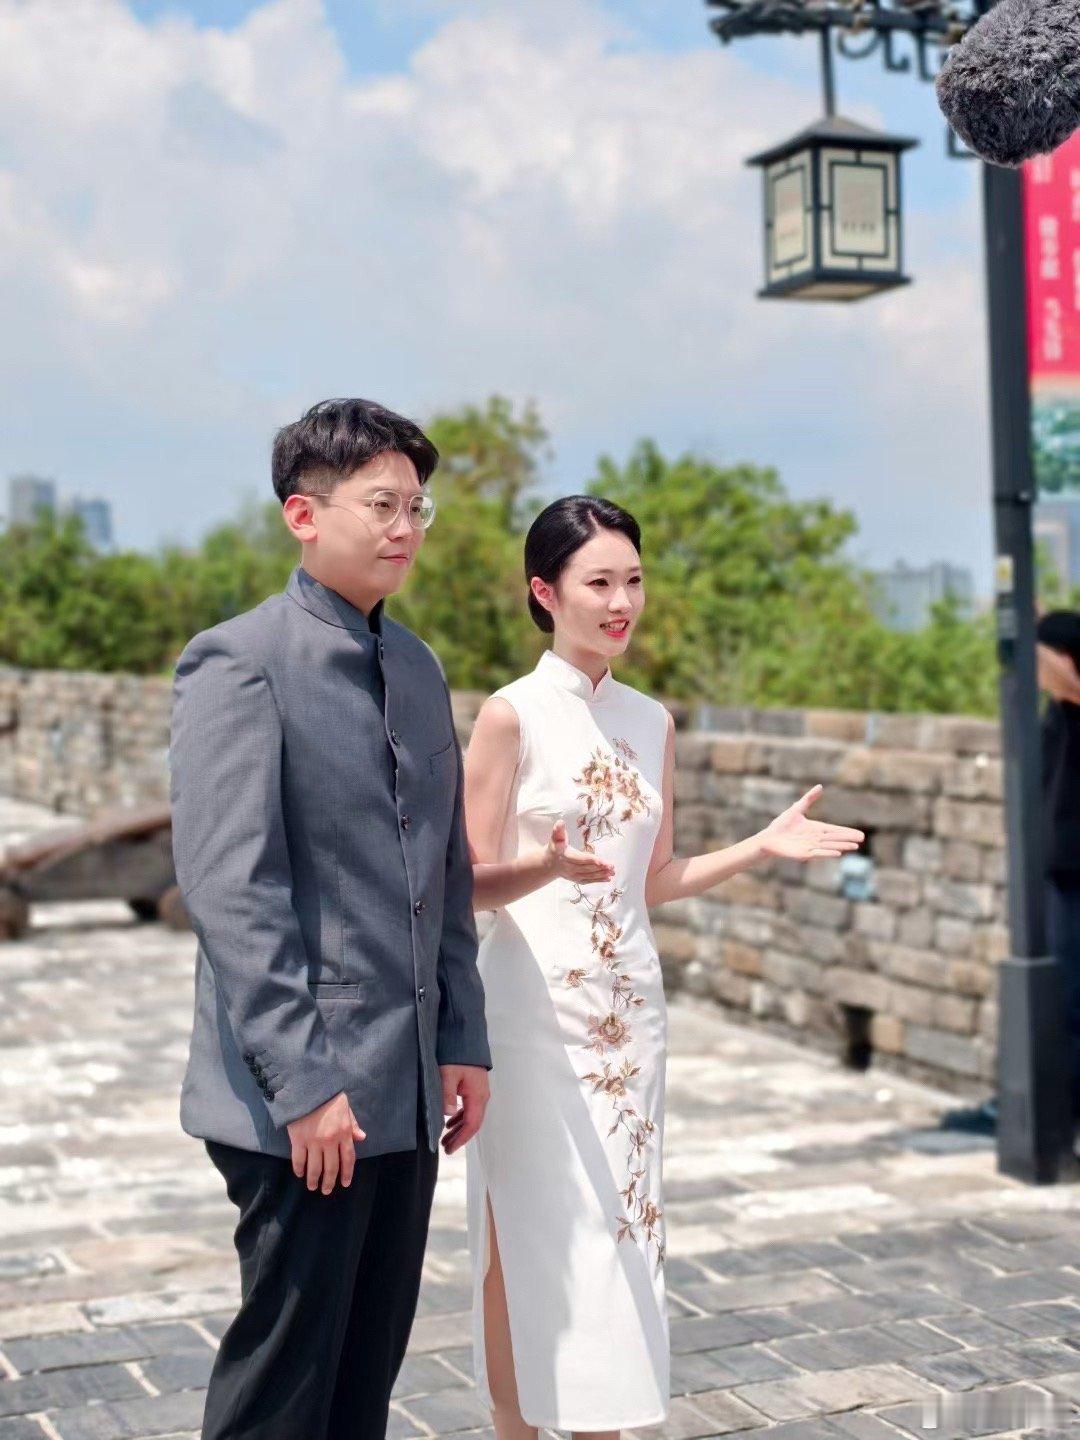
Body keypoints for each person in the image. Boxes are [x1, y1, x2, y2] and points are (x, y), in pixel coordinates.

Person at [461, 495, 864, 1438]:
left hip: (630, 1021)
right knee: (526, 1235)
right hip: (529, 1017)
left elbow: (653, 879)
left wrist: (759, 846)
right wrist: (546, 869)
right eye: (599, 583)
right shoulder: (510, 717)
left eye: (633, 581)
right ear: (544, 593)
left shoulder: (652, 722)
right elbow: (466, 884)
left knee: (618, 1240)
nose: (621, 603)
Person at [168, 398, 492, 1440]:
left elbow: (444, 871)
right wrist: (305, 1087)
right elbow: (233, 890)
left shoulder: (418, 667)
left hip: (406, 1090)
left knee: (363, 1382)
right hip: (303, 1103)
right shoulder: (240, 660)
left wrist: (462, 1038)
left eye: (416, 508)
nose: (405, 528)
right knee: (284, 1391)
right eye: (381, 505)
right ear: (303, 516)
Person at [941, 607, 1080, 1138]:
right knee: (1052, 999)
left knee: (1067, 1002)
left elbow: (1067, 678)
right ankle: (1027, 1107)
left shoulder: (1072, 696)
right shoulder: (1057, 709)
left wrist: (1021, 622)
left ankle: (1051, 1118)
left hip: (1073, 879)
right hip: (1052, 874)